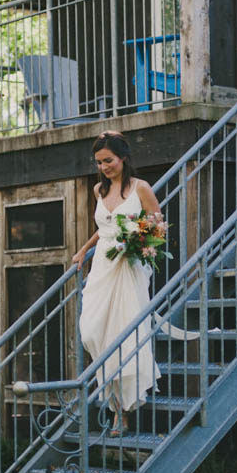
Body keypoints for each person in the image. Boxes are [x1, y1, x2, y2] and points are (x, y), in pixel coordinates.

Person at [72, 131, 162, 435]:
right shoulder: (99, 189)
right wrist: (84, 250)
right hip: (101, 268)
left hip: (128, 267)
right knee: (93, 333)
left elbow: (157, 224)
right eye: (99, 162)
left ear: (122, 158)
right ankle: (113, 401)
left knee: (123, 336)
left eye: (108, 160)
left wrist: (137, 242)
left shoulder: (141, 188)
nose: (104, 167)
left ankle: (120, 414)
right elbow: (106, 226)